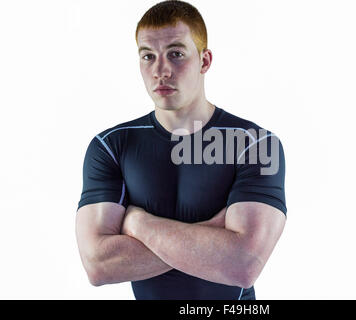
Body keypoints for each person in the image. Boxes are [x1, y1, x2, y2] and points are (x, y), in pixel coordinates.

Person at [75, 0, 287, 300]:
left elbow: (242, 264)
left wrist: (138, 222)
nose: (160, 70)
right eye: (148, 56)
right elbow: (98, 266)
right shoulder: (111, 146)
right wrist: (212, 242)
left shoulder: (255, 144)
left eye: (176, 54)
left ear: (204, 60)